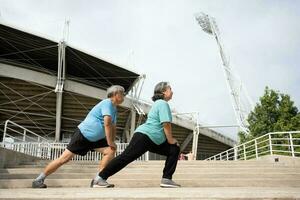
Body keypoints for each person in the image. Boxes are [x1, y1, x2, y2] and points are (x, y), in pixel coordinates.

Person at [32, 85, 125, 188]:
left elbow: (113, 127)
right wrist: (110, 141)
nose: (124, 96)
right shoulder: (107, 103)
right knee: (64, 159)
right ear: (116, 94)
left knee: (110, 150)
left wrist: (112, 141)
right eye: (123, 93)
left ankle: (99, 179)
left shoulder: (114, 109)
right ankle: (38, 179)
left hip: (96, 140)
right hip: (83, 135)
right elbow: (107, 123)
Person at [91, 82, 181, 188]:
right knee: (125, 157)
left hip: (153, 139)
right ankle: (99, 178)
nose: (172, 91)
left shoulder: (160, 104)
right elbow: (165, 123)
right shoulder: (162, 103)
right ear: (163, 92)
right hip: (145, 136)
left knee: (173, 149)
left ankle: (166, 179)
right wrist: (170, 139)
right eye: (170, 89)